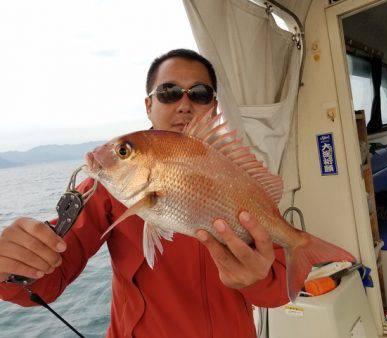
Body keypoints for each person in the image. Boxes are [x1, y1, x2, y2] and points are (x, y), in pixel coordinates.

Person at [0, 49, 288, 338]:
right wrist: (16, 262)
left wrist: (256, 280)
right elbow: (49, 279)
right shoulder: (109, 183)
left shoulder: (238, 179)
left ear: (213, 106)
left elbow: (280, 291)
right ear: (149, 106)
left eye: (199, 94)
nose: (184, 104)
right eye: (169, 92)